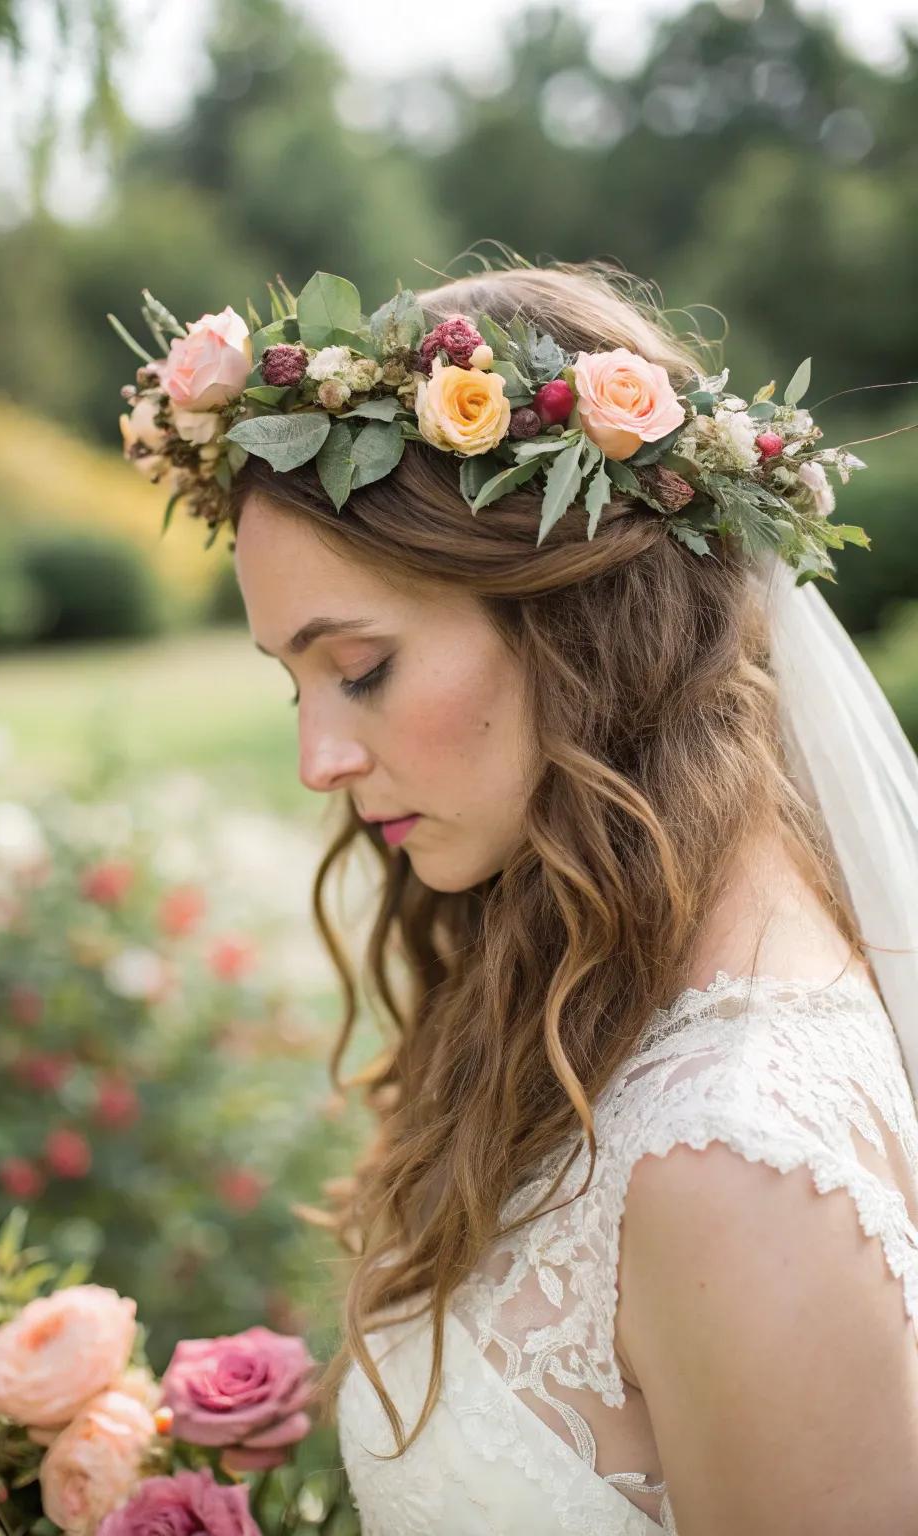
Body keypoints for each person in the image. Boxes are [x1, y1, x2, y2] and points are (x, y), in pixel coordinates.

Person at [119, 258, 918, 1533]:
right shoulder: (593, 982)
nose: (317, 760)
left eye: (361, 669)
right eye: (296, 685)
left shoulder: (739, 1166)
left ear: (583, 621)